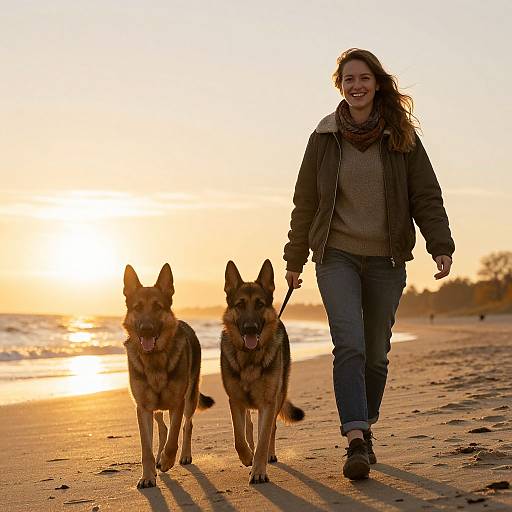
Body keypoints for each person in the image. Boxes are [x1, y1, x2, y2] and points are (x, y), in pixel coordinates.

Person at [283, 48, 454, 480]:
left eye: (363, 78)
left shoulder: (402, 137)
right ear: (339, 87)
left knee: (376, 354)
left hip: (386, 258)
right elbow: (305, 202)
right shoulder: (323, 136)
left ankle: (366, 422)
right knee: (350, 344)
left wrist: (440, 243)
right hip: (335, 254)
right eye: (347, 80)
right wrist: (294, 257)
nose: (355, 86)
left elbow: (426, 196)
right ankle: (356, 437)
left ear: (377, 83)